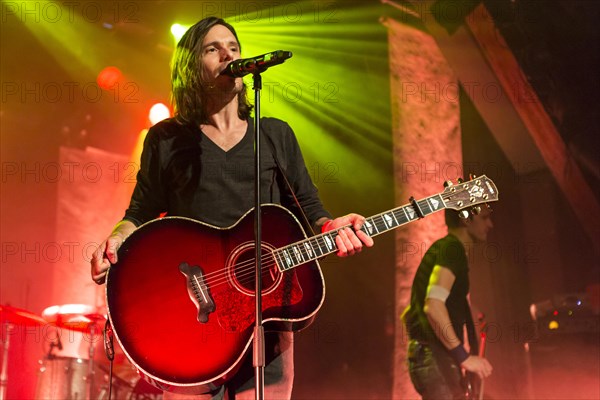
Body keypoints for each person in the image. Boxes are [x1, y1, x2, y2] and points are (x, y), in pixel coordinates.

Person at [90, 16, 373, 400]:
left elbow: (308, 208)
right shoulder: (167, 138)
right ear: (192, 67)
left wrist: (331, 226)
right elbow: (139, 212)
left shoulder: (275, 135)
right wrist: (114, 240)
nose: (229, 54)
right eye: (213, 48)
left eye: (234, 47)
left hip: (266, 317)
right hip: (189, 316)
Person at [402, 206, 494, 400]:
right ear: (466, 219)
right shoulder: (453, 250)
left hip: (431, 356)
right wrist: (465, 358)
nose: (490, 224)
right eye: (484, 218)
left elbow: (437, 301)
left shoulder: (448, 249)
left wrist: (473, 314)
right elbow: (433, 306)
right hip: (434, 356)